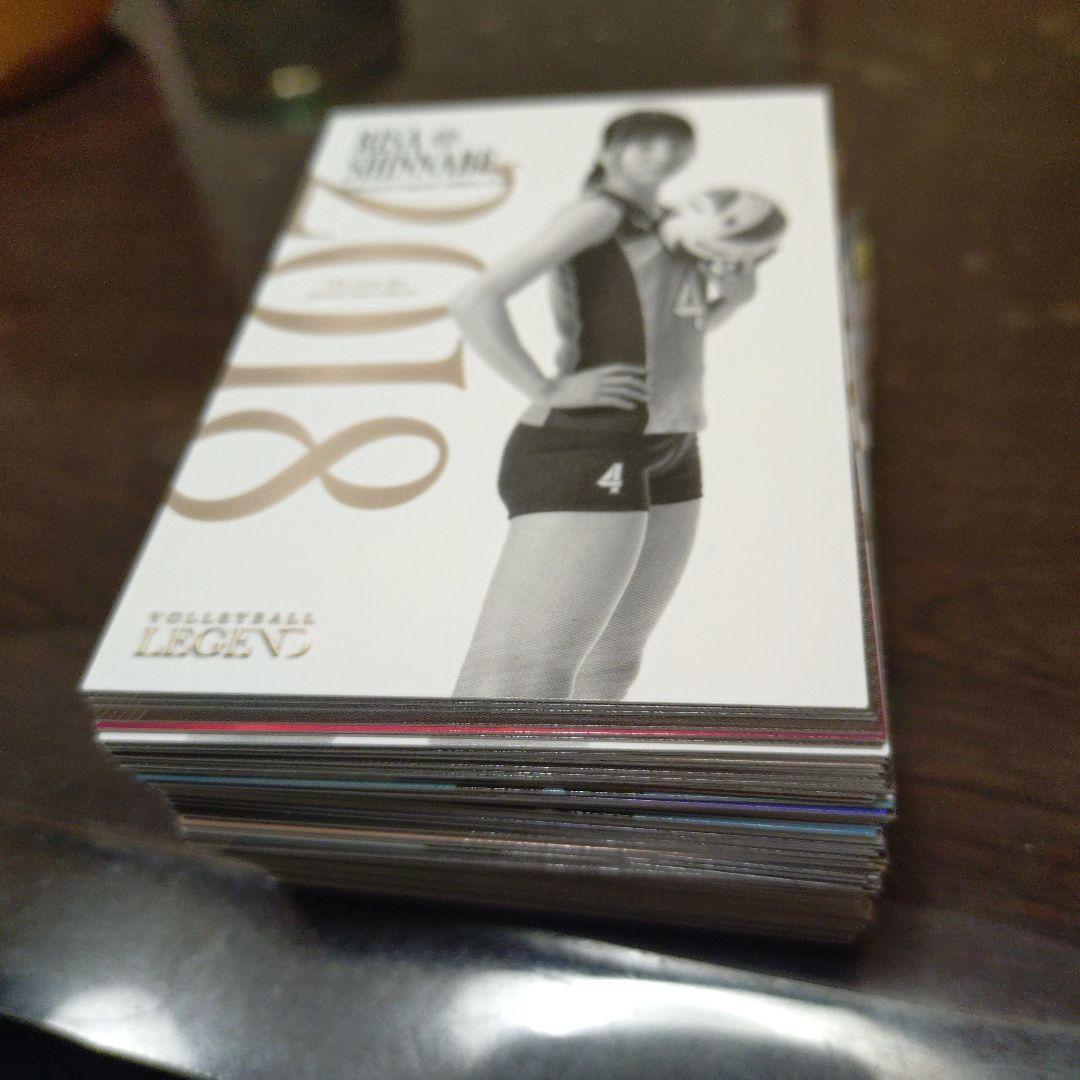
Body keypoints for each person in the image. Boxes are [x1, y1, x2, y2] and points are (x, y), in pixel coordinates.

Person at [450, 110, 773, 701]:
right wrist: (547, 388)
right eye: (645, 143)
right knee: (519, 678)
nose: (661, 154)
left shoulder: (675, 223)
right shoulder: (598, 213)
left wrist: (733, 300)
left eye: (674, 144)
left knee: (610, 666)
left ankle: (573, 768)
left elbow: (673, 331)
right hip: (590, 441)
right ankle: (472, 768)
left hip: (673, 442)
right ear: (611, 151)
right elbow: (476, 299)